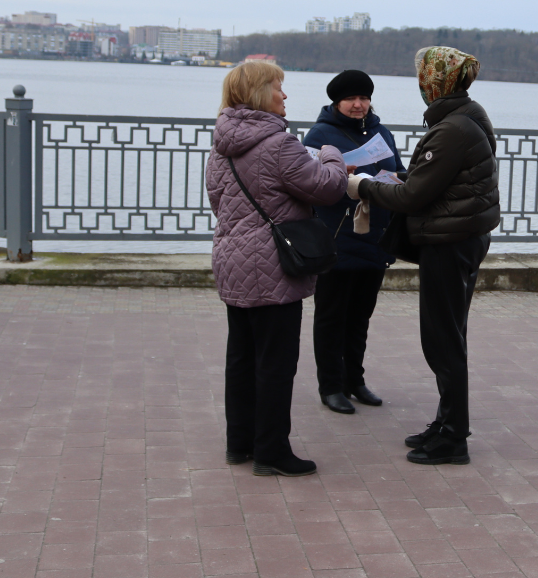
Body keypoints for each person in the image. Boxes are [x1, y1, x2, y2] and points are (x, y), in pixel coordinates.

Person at [347, 47, 499, 465]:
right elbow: (439, 182)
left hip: (450, 244)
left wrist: (361, 187)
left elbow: (415, 196)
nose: (420, 83)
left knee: (443, 340)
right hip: (461, 238)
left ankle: (453, 438)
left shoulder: (452, 128)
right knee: (448, 336)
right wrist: (401, 177)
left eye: (423, 76)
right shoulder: (467, 116)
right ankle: (446, 423)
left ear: (437, 81)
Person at [206, 62, 347, 477]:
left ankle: (240, 444)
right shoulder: (280, 145)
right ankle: (271, 452)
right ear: (256, 94)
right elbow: (327, 186)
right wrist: (332, 154)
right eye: (277, 88)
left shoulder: (221, 144)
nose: (284, 96)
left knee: (242, 357)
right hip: (273, 266)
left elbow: (220, 203)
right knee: (276, 362)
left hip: (232, 259)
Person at [303, 70, 403, 414]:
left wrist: (394, 180)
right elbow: (310, 183)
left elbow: (399, 171)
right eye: (351, 99)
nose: (358, 105)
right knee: (331, 316)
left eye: (364, 98)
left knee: (361, 315)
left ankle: (354, 380)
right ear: (337, 102)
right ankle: (330, 386)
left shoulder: (381, 132)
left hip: (374, 237)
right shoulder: (320, 135)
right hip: (336, 236)